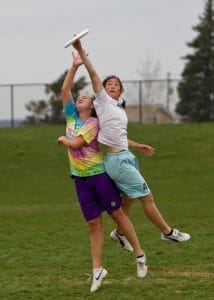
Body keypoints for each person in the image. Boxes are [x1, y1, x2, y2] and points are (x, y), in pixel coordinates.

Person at [72, 39, 191, 252]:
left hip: (126, 156)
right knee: (147, 196)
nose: (112, 86)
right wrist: (81, 51)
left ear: (121, 92)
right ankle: (167, 232)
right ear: (102, 91)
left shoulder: (117, 110)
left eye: (116, 85)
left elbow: (119, 137)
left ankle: (119, 233)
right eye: (109, 84)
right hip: (117, 161)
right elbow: (94, 75)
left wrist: (137, 145)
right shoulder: (104, 102)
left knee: (128, 199)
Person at [57, 51, 148, 292]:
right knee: (93, 225)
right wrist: (75, 66)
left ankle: (139, 254)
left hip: (99, 175)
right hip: (80, 179)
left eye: (85, 97)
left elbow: (76, 144)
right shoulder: (71, 117)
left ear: (92, 106)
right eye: (80, 96)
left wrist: (63, 140)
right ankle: (98, 270)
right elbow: (65, 91)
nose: (81, 97)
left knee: (117, 214)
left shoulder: (93, 123)